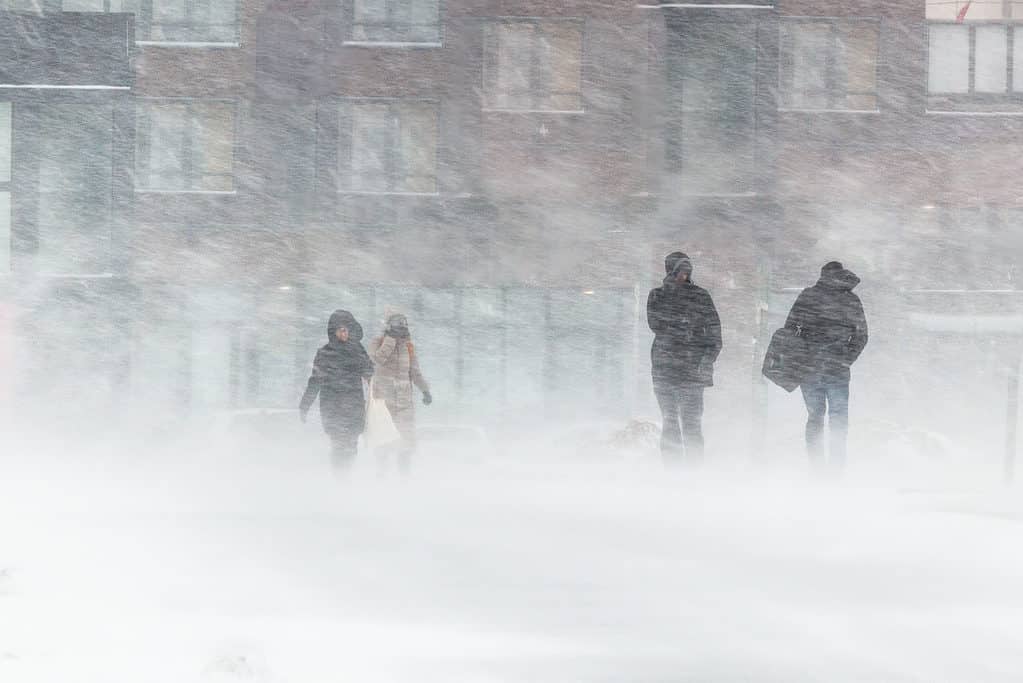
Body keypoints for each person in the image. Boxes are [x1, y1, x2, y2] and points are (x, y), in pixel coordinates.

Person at [784, 261, 868, 470]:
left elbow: (789, 330)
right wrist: (845, 358)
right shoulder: (850, 299)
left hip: (810, 368)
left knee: (815, 417)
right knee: (838, 418)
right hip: (836, 369)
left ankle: (817, 467)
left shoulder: (808, 296)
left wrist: (801, 355)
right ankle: (836, 467)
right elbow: (861, 336)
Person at [647, 252, 722, 464]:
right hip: (665, 370)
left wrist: (706, 360)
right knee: (670, 422)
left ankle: (693, 471)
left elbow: (715, 334)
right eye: (680, 271)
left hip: (692, 371)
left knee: (692, 424)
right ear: (670, 271)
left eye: (687, 271)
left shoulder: (700, 296)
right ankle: (673, 471)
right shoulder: (657, 295)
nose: (684, 275)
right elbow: (656, 324)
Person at [300, 309, 374, 470]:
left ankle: (346, 480)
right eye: (341, 330)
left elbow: (369, 373)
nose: (345, 333)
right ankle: (340, 481)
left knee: (351, 447)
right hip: (332, 407)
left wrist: (362, 360)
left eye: (347, 330)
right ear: (334, 332)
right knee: (339, 447)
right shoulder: (325, 353)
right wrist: (305, 404)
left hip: (353, 407)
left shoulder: (357, 350)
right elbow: (315, 381)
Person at [370, 312, 432, 474]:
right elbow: (377, 359)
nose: (401, 328)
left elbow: (415, 371)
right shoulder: (378, 342)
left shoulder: (408, 346)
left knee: (406, 440)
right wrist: (390, 340)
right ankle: (381, 474)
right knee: (383, 439)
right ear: (389, 327)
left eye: (403, 325)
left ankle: (405, 475)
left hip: (404, 401)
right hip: (383, 399)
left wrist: (425, 390)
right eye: (398, 325)